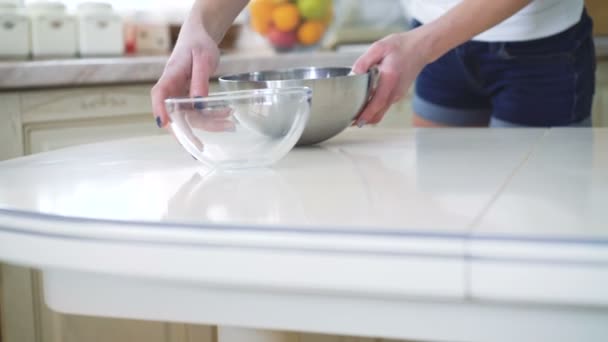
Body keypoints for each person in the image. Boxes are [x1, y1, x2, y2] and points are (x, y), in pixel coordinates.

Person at [151, 0, 596, 129]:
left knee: (528, 240)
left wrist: (423, 46)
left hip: (539, 52)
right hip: (430, 40)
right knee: (441, 230)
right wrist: (200, 27)